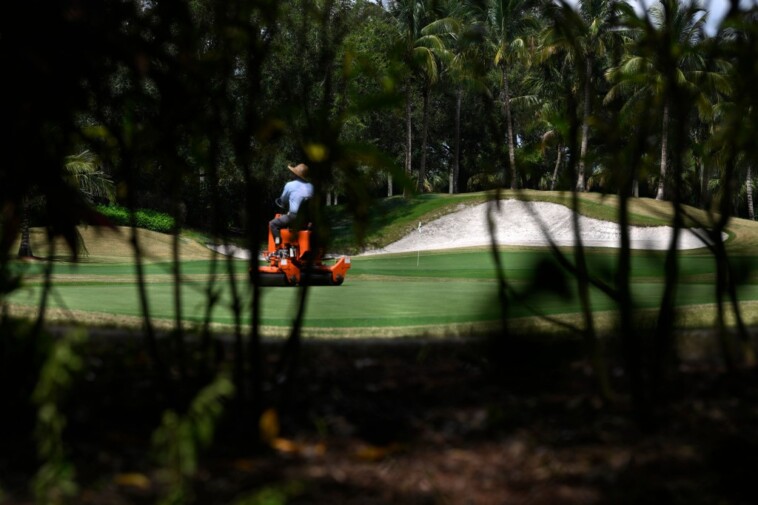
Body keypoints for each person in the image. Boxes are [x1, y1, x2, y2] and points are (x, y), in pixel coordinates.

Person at [269, 163, 314, 247]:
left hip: (294, 217)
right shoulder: (311, 187)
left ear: (295, 174)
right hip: (309, 219)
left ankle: (278, 243)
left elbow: (283, 200)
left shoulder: (289, 185)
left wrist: (284, 204)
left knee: (273, 224)